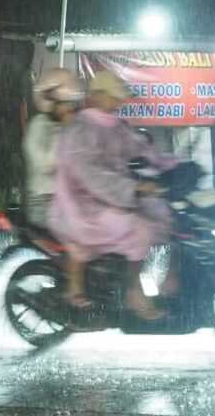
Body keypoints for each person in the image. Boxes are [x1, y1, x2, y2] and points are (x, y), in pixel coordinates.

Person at [50, 71, 178, 320]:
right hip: (84, 205)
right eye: (114, 97)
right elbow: (91, 175)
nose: (120, 103)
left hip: (112, 198)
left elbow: (142, 150)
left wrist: (174, 166)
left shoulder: (114, 125)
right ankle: (134, 293)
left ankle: (163, 281)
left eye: (121, 98)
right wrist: (132, 189)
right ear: (97, 96)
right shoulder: (81, 129)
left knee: (163, 214)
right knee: (140, 229)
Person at [23, 68, 85, 227]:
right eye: (65, 104)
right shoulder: (39, 126)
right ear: (51, 103)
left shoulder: (68, 127)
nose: (70, 109)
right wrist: (62, 131)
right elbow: (47, 165)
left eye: (71, 104)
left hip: (66, 200)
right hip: (44, 203)